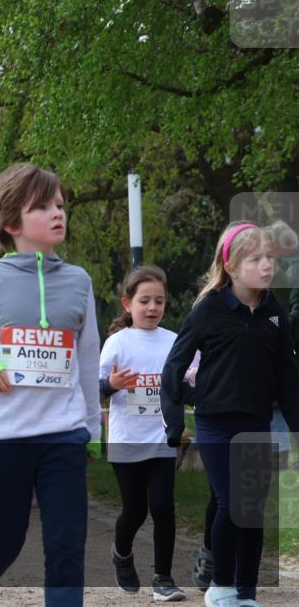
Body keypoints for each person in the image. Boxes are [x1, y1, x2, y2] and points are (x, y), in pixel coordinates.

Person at [0, 163, 101, 607]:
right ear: (11, 223)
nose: (57, 213)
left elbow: (87, 358)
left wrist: (92, 429)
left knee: (67, 547)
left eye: (60, 205)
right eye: (42, 207)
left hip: (63, 435)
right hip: (4, 436)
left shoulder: (79, 281)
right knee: (1, 543)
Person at [161, 222, 299, 607]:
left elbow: (288, 379)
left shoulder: (275, 312)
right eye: (256, 259)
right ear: (232, 266)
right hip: (215, 423)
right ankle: (220, 585)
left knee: (253, 509)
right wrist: (176, 420)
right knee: (230, 502)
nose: (267, 265)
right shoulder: (208, 310)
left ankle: (247, 593)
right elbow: (174, 368)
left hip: (256, 421)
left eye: (270, 257)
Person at [99, 265, 187, 601]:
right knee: (135, 510)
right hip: (126, 439)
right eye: (145, 300)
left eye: (159, 301)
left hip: (161, 437)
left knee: (163, 506)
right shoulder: (117, 343)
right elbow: (95, 388)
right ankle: (121, 553)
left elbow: (188, 378)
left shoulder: (173, 341)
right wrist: (112, 383)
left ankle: (163, 578)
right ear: (127, 303)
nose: (152, 308)